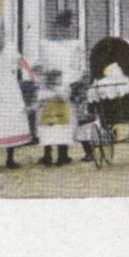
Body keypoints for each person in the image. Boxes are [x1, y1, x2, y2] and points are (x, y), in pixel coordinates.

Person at [0, 21, 32, 171]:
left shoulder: (11, 49)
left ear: (4, 35)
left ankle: (10, 158)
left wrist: (30, 75)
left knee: (12, 120)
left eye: (0, 35)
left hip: (10, 87)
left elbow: (22, 62)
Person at [37, 10, 87, 166]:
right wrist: (43, 76)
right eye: (59, 28)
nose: (62, 31)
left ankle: (62, 153)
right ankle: (47, 153)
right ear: (55, 28)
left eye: (65, 28)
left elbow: (78, 67)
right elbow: (41, 64)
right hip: (49, 83)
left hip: (66, 83)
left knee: (64, 119)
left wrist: (74, 83)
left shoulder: (75, 45)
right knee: (47, 118)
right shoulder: (45, 45)